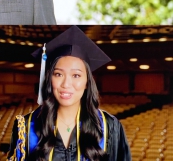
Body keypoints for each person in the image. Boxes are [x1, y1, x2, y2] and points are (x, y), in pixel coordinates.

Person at [8, 26, 131, 161]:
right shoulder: (26, 126)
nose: (66, 84)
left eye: (76, 75)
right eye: (58, 74)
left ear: (87, 83)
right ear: (49, 79)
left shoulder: (109, 127)